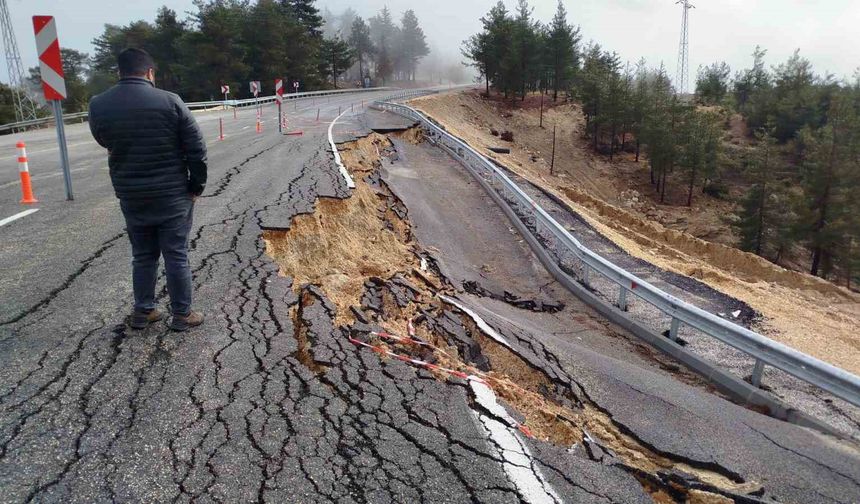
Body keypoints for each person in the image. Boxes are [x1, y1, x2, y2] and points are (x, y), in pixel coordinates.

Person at [89, 48, 207, 332]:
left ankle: (144, 311)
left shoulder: (99, 104)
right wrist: (196, 185)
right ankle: (182, 314)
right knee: (176, 253)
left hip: (132, 194)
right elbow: (196, 149)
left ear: (120, 72)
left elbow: (102, 139)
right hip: (172, 194)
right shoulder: (170, 101)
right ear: (150, 73)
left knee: (142, 254)